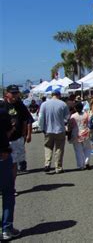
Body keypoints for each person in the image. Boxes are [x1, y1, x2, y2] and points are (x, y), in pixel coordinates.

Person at [1, 85, 32, 179]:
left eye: (16, 93)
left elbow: (27, 120)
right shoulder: (2, 105)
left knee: (14, 163)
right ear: (7, 94)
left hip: (17, 138)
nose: (15, 95)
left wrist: (28, 134)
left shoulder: (20, 105)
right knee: (4, 163)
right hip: (3, 139)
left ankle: (11, 186)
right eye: (13, 93)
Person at [0, 102, 21, 240]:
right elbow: (8, 132)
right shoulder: (2, 113)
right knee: (7, 192)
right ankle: (6, 229)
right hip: (2, 155)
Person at [39, 89, 69, 174]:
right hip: (60, 129)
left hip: (48, 129)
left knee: (48, 147)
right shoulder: (63, 104)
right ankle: (58, 167)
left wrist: (42, 128)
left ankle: (47, 163)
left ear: (51, 95)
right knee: (59, 148)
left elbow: (41, 118)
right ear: (59, 95)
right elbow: (67, 117)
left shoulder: (44, 104)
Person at [68, 101, 92, 170]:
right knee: (87, 149)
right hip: (86, 133)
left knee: (78, 150)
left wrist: (69, 136)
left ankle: (81, 165)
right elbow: (89, 123)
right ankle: (86, 161)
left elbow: (70, 127)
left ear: (75, 108)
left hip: (76, 134)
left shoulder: (73, 116)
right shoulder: (86, 114)